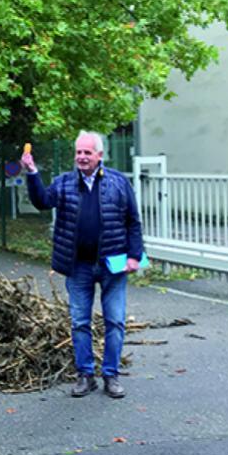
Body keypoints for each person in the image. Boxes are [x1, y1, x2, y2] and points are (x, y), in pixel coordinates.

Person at [22, 131, 144, 399]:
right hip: (78, 266)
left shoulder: (118, 183)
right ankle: (85, 375)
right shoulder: (64, 183)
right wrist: (32, 173)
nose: (82, 157)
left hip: (113, 266)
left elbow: (133, 221)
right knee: (79, 323)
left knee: (115, 321)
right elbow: (42, 202)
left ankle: (111, 376)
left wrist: (135, 255)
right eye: (78, 152)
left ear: (100, 156)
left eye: (87, 152)